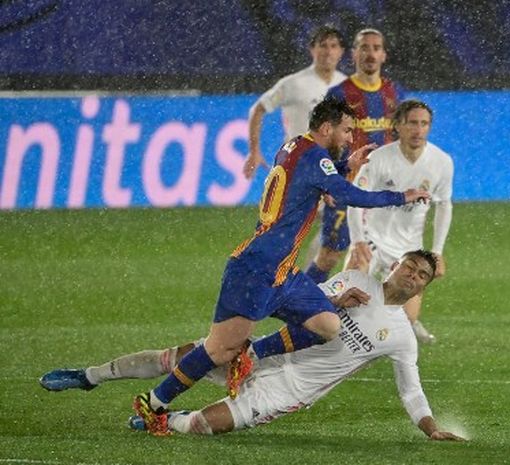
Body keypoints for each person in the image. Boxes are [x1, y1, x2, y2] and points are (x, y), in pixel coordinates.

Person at [130, 97, 431, 435]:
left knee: (329, 325)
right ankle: (154, 403)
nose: (350, 139)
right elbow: (348, 196)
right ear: (327, 128)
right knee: (219, 349)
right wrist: (401, 196)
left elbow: (314, 181)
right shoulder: (317, 158)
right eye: (347, 131)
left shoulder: (296, 146)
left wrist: (344, 165)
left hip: (283, 270)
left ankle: (250, 356)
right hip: (259, 268)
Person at [40, 251, 465, 442]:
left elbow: (410, 389)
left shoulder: (403, 338)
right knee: (177, 356)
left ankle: (167, 420)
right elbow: (302, 307)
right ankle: (90, 376)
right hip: (262, 351)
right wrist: (333, 301)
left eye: (421, 275)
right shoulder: (355, 281)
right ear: (396, 265)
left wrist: (430, 428)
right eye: (410, 265)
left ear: (424, 287)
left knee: (206, 426)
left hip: (290, 388)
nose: (412, 275)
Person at [347, 100, 454, 344]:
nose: (418, 130)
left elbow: (444, 205)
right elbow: (355, 199)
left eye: (424, 124)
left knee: (406, 321)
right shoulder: (378, 158)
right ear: (398, 126)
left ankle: (405, 324)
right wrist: (357, 241)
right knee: (347, 299)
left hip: (409, 251)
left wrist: (436, 252)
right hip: (372, 240)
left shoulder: (442, 162)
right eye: (412, 123)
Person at [305, 28, 405, 286]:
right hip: (346, 187)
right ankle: (301, 306)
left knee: (379, 256)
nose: (370, 53)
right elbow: (323, 139)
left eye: (375, 48)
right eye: (364, 48)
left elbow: (400, 140)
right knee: (329, 255)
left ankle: (373, 320)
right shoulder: (339, 94)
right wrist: (326, 179)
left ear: (384, 55)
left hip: (381, 189)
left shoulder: (395, 93)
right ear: (354, 54)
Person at [244, 24, 346, 180]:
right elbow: (258, 109)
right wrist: (254, 151)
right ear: (312, 49)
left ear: (341, 51)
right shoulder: (294, 83)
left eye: (333, 46)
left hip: (334, 168)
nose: (328, 51)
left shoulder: (346, 84)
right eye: (323, 45)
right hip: (298, 167)